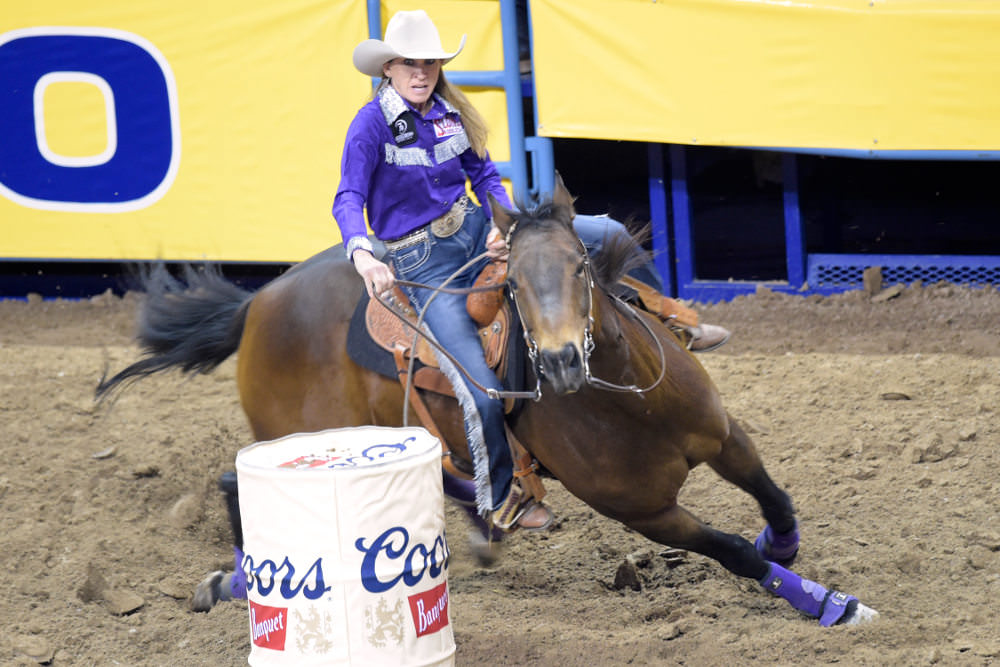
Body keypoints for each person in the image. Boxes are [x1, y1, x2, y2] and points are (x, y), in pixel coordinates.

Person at [334, 10, 727, 532]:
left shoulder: (451, 113)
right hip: (423, 262)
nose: (421, 71)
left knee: (606, 234)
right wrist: (362, 253)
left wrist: (502, 220)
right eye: (410, 63)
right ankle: (500, 495)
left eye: (429, 62)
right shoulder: (370, 125)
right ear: (388, 68)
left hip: (479, 231)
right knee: (478, 386)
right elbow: (349, 197)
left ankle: (672, 321)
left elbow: (483, 175)